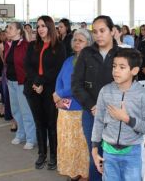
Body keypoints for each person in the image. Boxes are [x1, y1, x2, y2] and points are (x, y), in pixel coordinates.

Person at [91, 48, 145, 181]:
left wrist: (127, 119)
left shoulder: (143, 95)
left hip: (132, 152)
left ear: (134, 70)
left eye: (122, 67)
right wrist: (95, 148)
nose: (116, 70)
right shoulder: (105, 91)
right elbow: (98, 121)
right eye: (114, 66)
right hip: (108, 152)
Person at [72, 15, 119, 181]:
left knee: (115, 159)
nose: (98, 35)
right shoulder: (86, 53)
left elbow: (130, 86)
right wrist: (92, 106)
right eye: (95, 31)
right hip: (91, 115)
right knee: (96, 157)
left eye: (102, 30)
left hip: (117, 116)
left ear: (112, 31)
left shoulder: (123, 54)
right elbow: (76, 84)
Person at [24, 16, 66, 170]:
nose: (40, 29)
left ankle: (54, 155)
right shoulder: (32, 46)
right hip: (33, 89)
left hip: (50, 90)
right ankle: (42, 154)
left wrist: (41, 82)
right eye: (38, 26)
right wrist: (36, 82)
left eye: (43, 25)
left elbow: (57, 70)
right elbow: (27, 66)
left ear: (50, 27)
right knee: (39, 123)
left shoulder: (59, 47)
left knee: (51, 124)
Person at [53, 29, 93, 181]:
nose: (77, 43)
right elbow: (59, 79)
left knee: (81, 144)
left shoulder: (89, 61)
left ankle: (84, 174)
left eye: (81, 40)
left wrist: (61, 94)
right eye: (75, 40)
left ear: (88, 43)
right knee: (68, 143)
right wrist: (58, 96)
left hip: (79, 108)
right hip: (64, 108)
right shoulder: (68, 60)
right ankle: (73, 171)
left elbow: (79, 84)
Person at [5, 22, 36, 150]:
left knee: (26, 111)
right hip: (11, 82)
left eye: (10, 28)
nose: (8, 30)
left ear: (19, 31)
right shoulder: (7, 45)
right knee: (16, 110)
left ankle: (31, 138)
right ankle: (21, 134)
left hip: (22, 83)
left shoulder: (26, 45)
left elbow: (30, 65)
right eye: (7, 28)